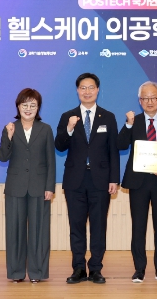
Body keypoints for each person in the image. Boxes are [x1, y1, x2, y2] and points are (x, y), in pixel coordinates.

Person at [55, 73, 120, 284]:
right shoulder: (68, 116)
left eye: (91, 87)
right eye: (83, 88)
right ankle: (78, 268)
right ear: (77, 91)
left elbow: (113, 151)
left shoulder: (108, 117)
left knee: (98, 226)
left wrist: (114, 179)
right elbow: (59, 145)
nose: (87, 91)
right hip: (75, 180)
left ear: (98, 90)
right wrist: (69, 129)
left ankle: (96, 269)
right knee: (76, 226)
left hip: (100, 180)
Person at [117, 81, 157, 283]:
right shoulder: (133, 121)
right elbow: (120, 144)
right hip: (139, 182)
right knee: (138, 227)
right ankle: (139, 269)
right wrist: (127, 125)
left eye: (153, 97)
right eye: (145, 98)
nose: (150, 101)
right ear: (140, 101)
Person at [0, 88, 55, 283]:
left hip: (40, 187)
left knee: (39, 231)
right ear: (18, 106)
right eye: (25, 105)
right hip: (15, 187)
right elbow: (2, 157)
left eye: (33, 105)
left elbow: (50, 161)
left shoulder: (45, 129)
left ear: (38, 108)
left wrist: (50, 187)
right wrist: (9, 137)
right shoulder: (10, 128)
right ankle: (16, 273)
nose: (28, 108)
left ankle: (37, 273)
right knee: (14, 231)